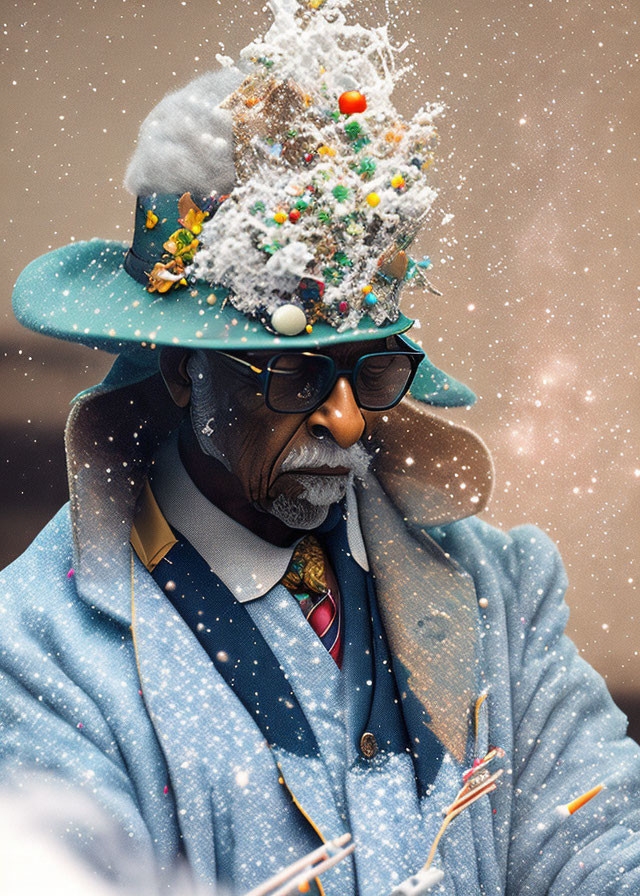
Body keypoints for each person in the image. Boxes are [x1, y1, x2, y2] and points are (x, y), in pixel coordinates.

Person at [2, 3, 639, 895]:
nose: (348, 422)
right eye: (297, 376)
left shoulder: (503, 595)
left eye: (371, 370)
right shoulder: (38, 655)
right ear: (185, 371)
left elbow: (603, 847)